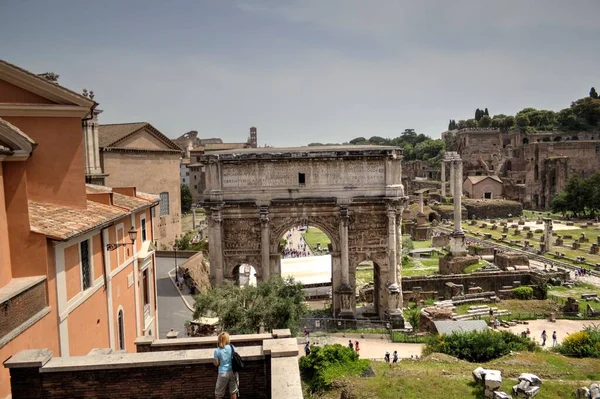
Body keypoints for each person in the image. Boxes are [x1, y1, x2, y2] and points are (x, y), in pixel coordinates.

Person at [213, 332, 239, 399]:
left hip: (222, 373)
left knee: (219, 394)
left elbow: (216, 364)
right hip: (233, 371)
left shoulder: (217, 351)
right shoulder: (232, 347)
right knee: (233, 392)